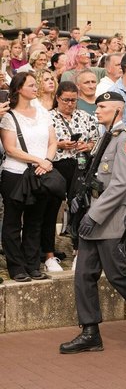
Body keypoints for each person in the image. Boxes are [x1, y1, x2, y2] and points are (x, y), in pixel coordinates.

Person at [59, 91, 126, 354]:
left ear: (118, 110)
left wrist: (94, 215)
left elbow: (120, 184)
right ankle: (90, 331)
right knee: (84, 275)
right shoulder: (103, 138)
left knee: (118, 275)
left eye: (103, 106)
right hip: (91, 214)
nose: (97, 110)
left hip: (110, 218)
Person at [0, 72, 58, 282]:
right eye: (32, 85)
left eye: (36, 85)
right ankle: (16, 267)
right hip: (15, 174)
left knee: (36, 221)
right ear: (18, 89)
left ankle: (33, 265)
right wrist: (38, 160)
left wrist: (47, 161)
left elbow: (53, 141)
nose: (36, 88)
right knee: (13, 222)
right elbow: (10, 148)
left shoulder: (43, 113)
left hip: (41, 173)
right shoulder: (9, 116)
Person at [43, 81, 98, 272]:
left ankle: (78, 252)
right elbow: (41, 142)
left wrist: (87, 146)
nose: (69, 104)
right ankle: (48, 254)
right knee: (50, 210)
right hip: (56, 165)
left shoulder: (85, 116)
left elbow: (95, 140)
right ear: (57, 98)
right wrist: (59, 145)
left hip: (80, 165)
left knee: (79, 208)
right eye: (66, 100)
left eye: (73, 100)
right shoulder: (47, 117)